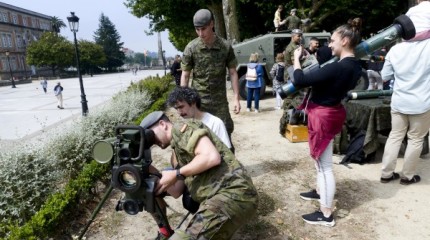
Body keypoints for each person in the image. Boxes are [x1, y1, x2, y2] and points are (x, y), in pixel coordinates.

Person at [139, 111, 258, 239]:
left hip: (233, 194)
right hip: (219, 197)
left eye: (150, 134)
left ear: (163, 124)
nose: (152, 141)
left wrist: (177, 173)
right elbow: (176, 191)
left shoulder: (183, 128)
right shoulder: (177, 152)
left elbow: (211, 157)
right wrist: (148, 170)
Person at [292, 20, 363, 226]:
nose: (330, 45)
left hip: (323, 116)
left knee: (324, 167)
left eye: (333, 41)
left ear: (345, 40)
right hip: (332, 113)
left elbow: (300, 80)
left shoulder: (338, 68)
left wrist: (297, 59)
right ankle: (320, 192)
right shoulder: (355, 67)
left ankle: (325, 214)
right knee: (322, 163)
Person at [379, 6, 430, 185]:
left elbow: (384, 76)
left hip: (399, 100)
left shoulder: (395, 49)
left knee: (395, 136)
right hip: (422, 102)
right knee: (415, 139)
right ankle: (407, 176)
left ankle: (386, 173)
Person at [180, 8, 240, 141]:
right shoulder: (191, 48)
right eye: (197, 29)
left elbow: (233, 72)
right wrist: (183, 103)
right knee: (199, 137)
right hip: (197, 102)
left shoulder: (225, 46)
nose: (200, 33)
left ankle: (228, 162)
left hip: (220, 103)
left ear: (212, 24)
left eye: (203, 29)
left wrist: (236, 98)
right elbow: (185, 75)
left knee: (225, 133)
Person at [167, 87, 232, 149]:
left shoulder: (215, 123)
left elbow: (226, 151)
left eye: (181, 107)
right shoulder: (183, 125)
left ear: (193, 102)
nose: (179, 112)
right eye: (176, 108)